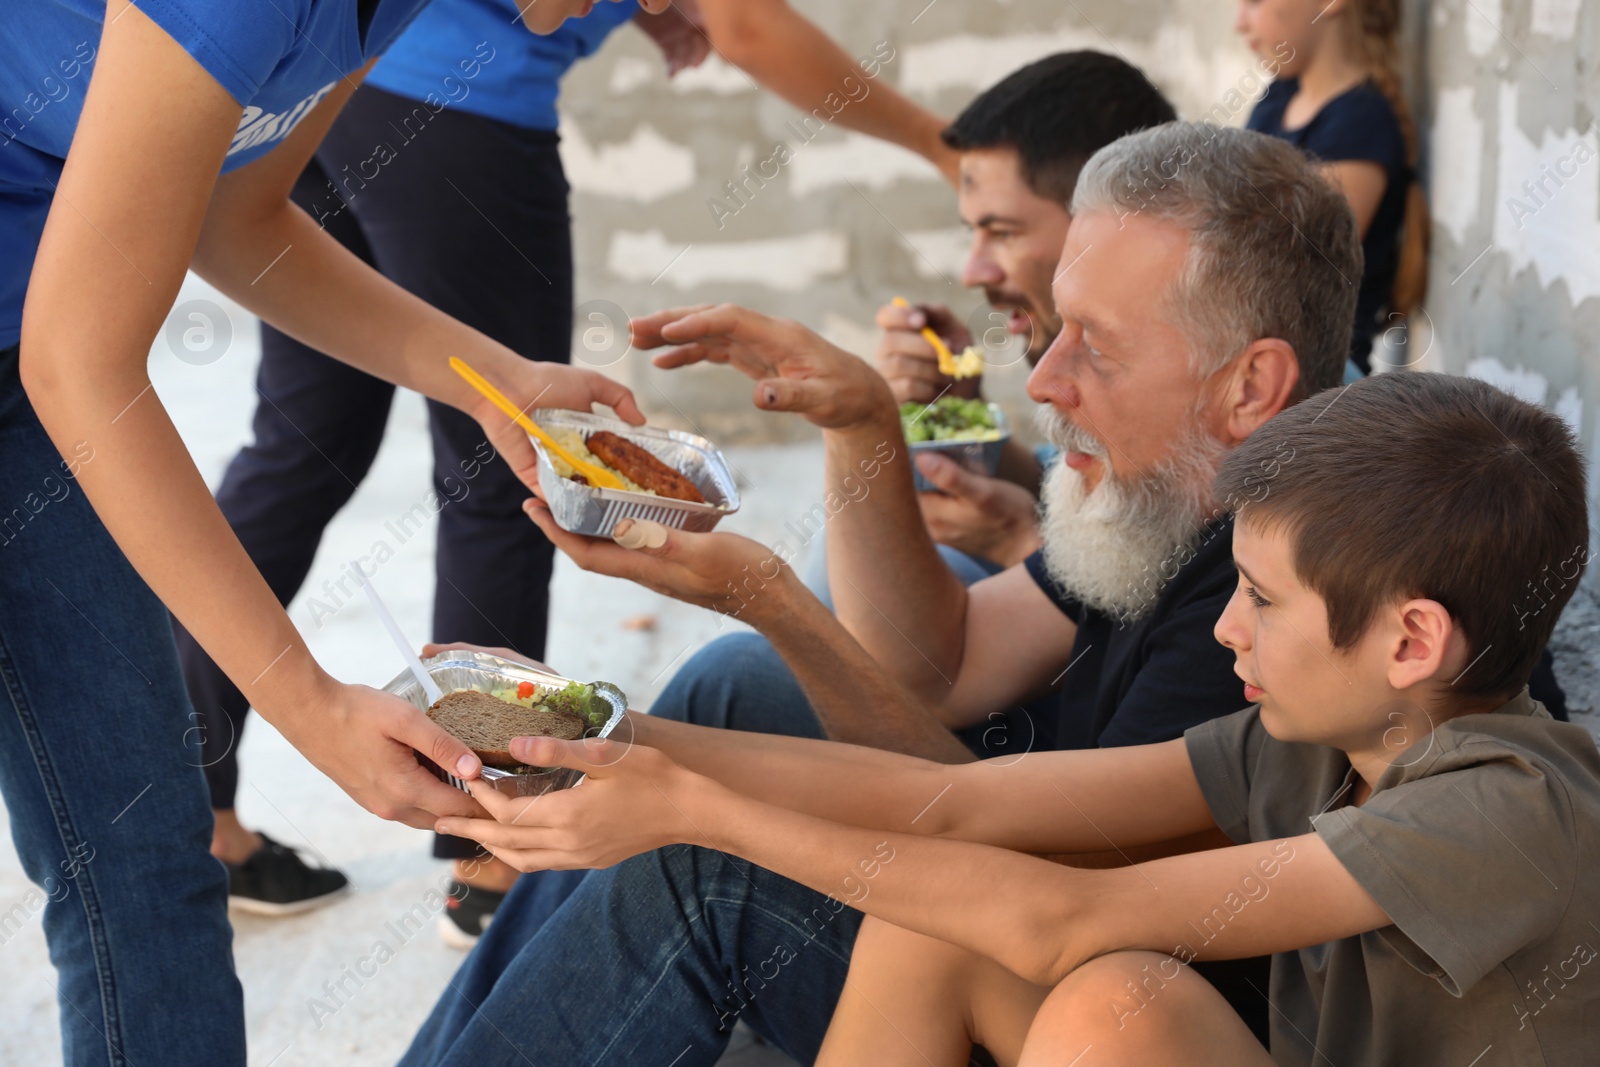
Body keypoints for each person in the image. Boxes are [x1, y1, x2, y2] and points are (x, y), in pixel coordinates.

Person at [401, 122, 1364, 1062]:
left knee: (700, 866)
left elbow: (1010, 874)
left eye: (1095, 346)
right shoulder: (1165, 497)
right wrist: (863, 424)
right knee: (735, 683)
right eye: (1052, 324)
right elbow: (942, 667)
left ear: (1250, 389)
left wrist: (761, 615)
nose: (1043, 377)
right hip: (1021, 860)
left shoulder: (1266, 612)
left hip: (1079, 977)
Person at [429, 370, 1598, 1066]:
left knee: (1108, 1002)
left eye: (1260, 598)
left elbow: (1066, 915)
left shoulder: (1509, 805)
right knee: (931, 914)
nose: (1228, 627)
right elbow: (951, 798)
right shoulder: (1312, 740)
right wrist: (582, 729)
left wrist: (702, 817)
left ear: (1409, 641)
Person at [169, 0, 967, 935]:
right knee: (510, 475)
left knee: (304, 448)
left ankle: (195, 814)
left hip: (331, 116)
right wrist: (943, 144)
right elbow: (745, 22)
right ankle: (491, 848)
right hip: (456, 120)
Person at [0, 0, 657, 1061]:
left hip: (22, 349)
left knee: (142, 850)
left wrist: (499, 381)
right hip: (49, 357)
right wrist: (307, 702)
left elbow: (240, 220)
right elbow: (83, 363)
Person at [861, 51, 1174, 587]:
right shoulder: (1108, 369)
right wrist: (964, 418)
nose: (972, 270)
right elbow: (1069, 484)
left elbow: (1174, 624)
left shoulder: (1190, 387)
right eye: (972, 233)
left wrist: (1021, 544)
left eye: (1003, 232)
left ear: (1103, 225)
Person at [1235, 0, 1425, 372]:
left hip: (1318, 389)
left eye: (1254, 1)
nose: (1240, 23)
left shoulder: (1362, 122)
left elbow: (1283, 270)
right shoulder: (1278, 98)